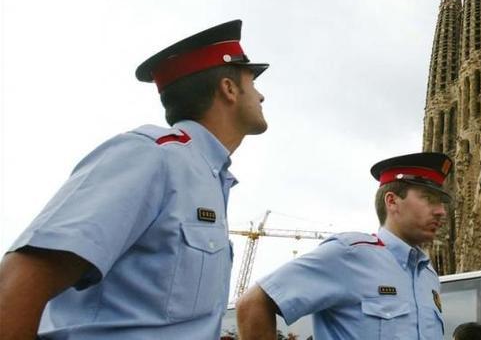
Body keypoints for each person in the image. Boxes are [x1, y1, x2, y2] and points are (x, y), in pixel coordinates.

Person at [0, 20, 269, 339]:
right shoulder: (152, 156)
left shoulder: (209, 178)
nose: (261, 96)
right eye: (252, 83)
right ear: (228, 88)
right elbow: (21, 280)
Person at [236, 152, 451, 339]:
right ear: (392, 201)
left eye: (442, 203)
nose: (441, 211)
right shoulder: (349, 254)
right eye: (429, 199)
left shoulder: (428, 275)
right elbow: (253, 303)